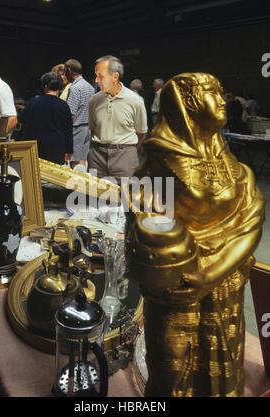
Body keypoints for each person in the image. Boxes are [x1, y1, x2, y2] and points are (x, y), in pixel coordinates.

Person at [125, 73, 265, 396]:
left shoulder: (232, 163)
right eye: (212, 93)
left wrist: (212, 272)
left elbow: (253, 219)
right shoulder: (159, 167)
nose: (221, 99)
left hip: (224, 285)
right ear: (188, 103)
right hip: (179, 290)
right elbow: (144, 237)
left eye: (220, 92)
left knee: (223, 372)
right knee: (173, 377)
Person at [88, 55, 147, 183]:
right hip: (97, 156)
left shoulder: (135, 101)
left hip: (125, 156)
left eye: (101, 76)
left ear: (115, 76)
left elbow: (141, 133)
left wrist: (126, 151)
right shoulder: (94, 100)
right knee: (95, 199)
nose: (97, 80)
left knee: (127, 198)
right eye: (96, 76)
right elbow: (92, 127)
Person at [19, 71, 73, 165]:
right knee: (54, 177)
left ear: (45, 86)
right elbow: (68, 130)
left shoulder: (33, 102)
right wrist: (69, 150)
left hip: (35, 147)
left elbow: (22, 120)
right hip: (57, 148)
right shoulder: (64, 105)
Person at [64, 58, 94, 169]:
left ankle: (75, 186)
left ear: (69, 70)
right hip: (87, 129)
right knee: (82, 160)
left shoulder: (75, 88)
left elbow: (70, 115)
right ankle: (83, 185)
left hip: (76, 129)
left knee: (74, 162)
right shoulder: (90, 87)